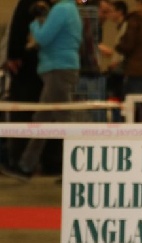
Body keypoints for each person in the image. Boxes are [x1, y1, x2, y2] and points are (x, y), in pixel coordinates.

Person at [1, 0, 82, 182]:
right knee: (43, 119)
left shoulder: (62, 9)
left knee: (62, 120)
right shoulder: (70, 8)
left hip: (58, 68)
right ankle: (26, 166)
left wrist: (36, 21)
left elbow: (43, 38)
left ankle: (74, 167)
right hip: (60, 67)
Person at [1, 0, 44, 171]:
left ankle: (20, 159)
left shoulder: (28, 4)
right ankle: (25, 159)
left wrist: (13, 55)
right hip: (33, 64)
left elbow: (17, 29)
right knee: (37, 113)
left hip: (27, 65)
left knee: (24, 112)